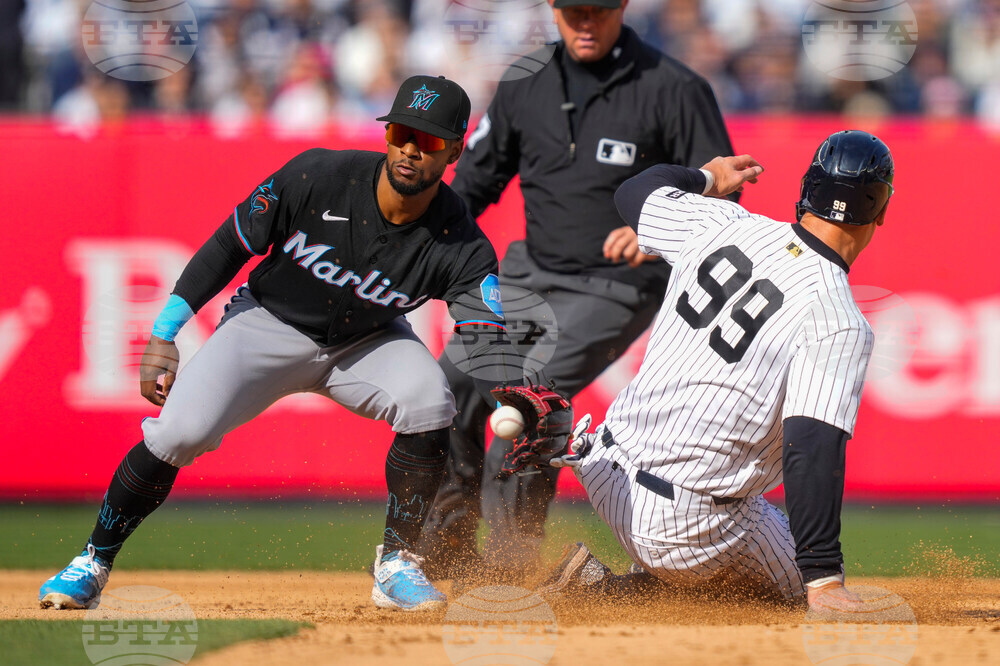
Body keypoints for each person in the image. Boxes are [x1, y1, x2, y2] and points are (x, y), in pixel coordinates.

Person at [38, 75, 508, 612]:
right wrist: (164, 332)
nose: (409, 148)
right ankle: (92, 561)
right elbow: (227, 246)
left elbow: (485, 337)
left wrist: (513, 392)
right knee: (177, 433)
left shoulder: (461, 243)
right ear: (386, 134)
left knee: (429, 400)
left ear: (452, 149)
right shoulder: (318, 176)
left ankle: (397, 562)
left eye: (427, 140)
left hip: (366, 340)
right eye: (402, 131)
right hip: (269, 322)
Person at [418, 0, 738, 579]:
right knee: (453, 381)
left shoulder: (672, 87)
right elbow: (474, 182)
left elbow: (725, 187)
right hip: (528, 275)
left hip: (617, 285)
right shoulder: (525, 80)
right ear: (554, 10)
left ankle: (511, 564)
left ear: (620, 7)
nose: (585, 22)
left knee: (531, 394)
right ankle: (447, 543)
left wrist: (660, 230)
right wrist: (417, 238)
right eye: (573, 11)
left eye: (597, 9)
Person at [536, 130, 893, 609]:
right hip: (683, 528)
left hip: (602, 469)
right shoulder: (839, 320)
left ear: (808, 188)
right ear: (882, 211)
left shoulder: (723, 222)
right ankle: (609, 593)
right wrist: (824, 577)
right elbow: (810, 449)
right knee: (786, 593)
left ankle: (607, 583)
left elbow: (633, 192)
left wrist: (707, 176)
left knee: (734, 523)